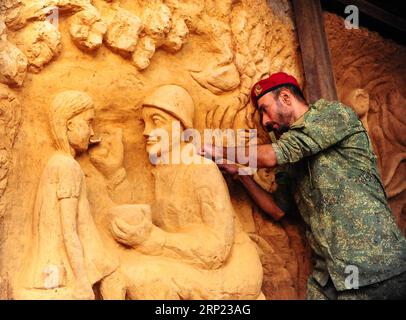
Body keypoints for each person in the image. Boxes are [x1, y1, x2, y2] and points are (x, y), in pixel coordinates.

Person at [202, 72, 406, 299]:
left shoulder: (333, 115)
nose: (265, 122)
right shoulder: (289, 154)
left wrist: (218, 150)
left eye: (264, 109)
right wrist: (240, 175)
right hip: (329, 276)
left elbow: (272, 156)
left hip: (374, 267)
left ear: (286, 97)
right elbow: (278, 209)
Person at [16, 90, 117, 300]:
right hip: (60, 272)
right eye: (88, 122)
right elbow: (69, 231)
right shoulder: (66, 166)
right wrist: (82, 283)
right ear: (69, 124)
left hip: (49, 270)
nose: (92, 131)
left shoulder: (56, 162)